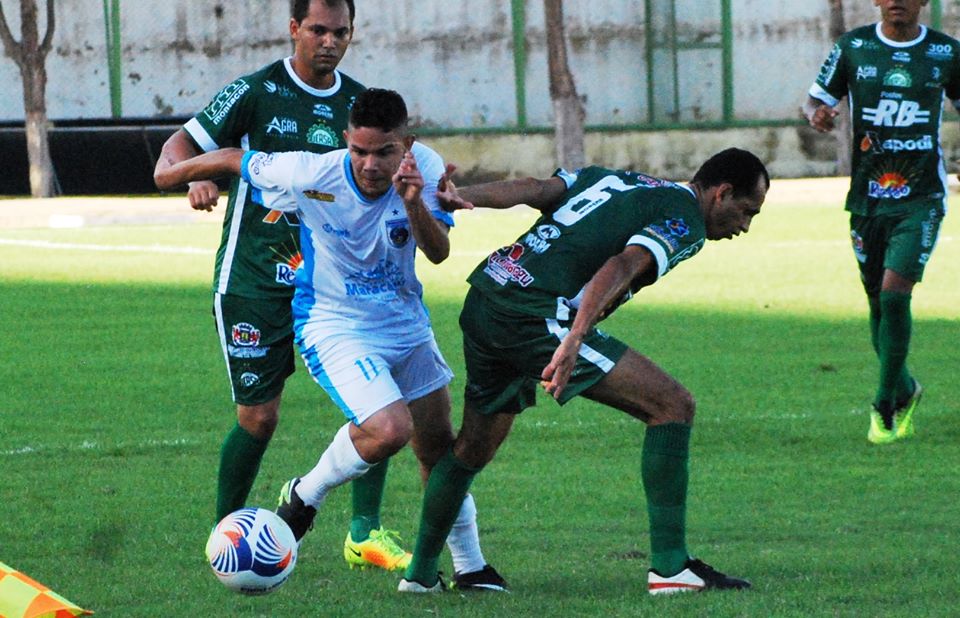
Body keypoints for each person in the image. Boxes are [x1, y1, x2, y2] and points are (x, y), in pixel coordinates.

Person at [155, 88, 507, 591]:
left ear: (405, 145)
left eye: (383, 153)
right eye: (359, 151)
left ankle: (468, 566)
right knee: (388, 430)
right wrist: (175, 174)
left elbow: (439, 252)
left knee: (437, 446)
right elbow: (236, 157)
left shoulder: (424, 169)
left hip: (405, 323)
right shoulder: (309, 171)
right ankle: (306, 493)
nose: (369, 164)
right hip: (334, 322)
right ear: (346, 141)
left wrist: (413, 203)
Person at [397, 148, 768, 594]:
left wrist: (461, 194)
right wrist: (574, 338)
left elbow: (534, 189)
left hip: (489, 293)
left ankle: (419, 577)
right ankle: (671, 569)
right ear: (721, 193)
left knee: (473, 448)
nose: (744, 227)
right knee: (672, 405)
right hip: (533, 315)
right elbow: (624, 264)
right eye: (746, 212)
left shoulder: (616, 178)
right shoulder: (685, 220)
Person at [154, 0, 417, 570]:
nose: (329, 41)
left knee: (378, 404)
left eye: (340, 32)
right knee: (259, 417)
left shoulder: (362, 108)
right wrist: (191, 179)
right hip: (254, 278)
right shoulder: (256, 91)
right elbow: (177, 150)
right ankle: (224, 533)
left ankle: (364, 533)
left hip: (337, 288)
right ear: (294, 28)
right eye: (317, 30)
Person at [802, 0, 959, 444]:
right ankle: (907, 389)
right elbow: (815, 98)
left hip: (922, 197)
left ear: (923, 1)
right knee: (877, 303)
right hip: (867, 199)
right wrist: (817, 114)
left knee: (893, 295)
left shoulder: (947, 53)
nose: (896, 2)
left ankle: (884, 403)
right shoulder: (854, 47)